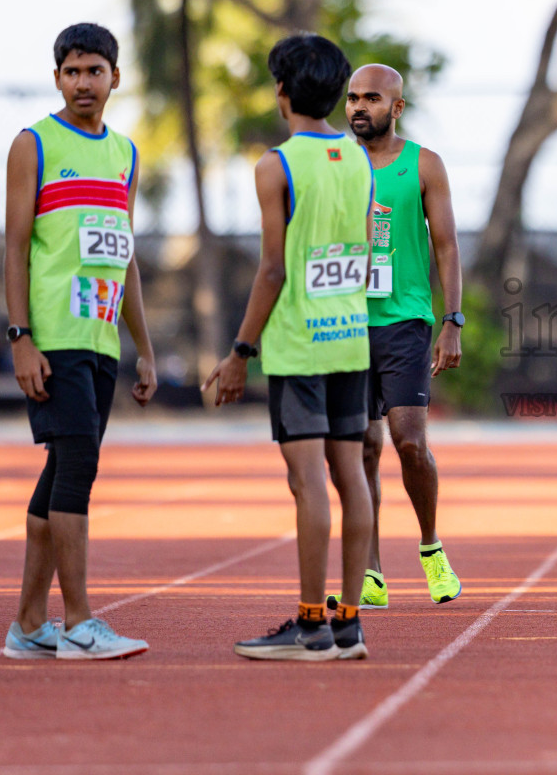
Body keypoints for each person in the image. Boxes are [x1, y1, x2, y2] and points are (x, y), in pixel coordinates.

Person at [203, 34, 374, 661]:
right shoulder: (360, 159)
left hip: (300, 347)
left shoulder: (274, 167)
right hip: (350, 340)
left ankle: (309, 626)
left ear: (281, 91)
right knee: (350, 477)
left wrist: (238, 353)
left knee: (308, 485)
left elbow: (272, 269)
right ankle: (348, 623)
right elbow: (359, 252)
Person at [2, 22, 158, 661]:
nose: (83, 82)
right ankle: (80, 623)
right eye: (71, 71)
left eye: (95, 70)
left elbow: (125, 256)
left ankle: (28, 626)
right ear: (57, 77)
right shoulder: (33, 144)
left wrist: (143, 346)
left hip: (101, 342)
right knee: (80, 468)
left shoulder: (125, 153)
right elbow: (14, 246)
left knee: (62, 469)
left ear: (115, 77)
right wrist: (20, 337)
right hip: (53, 339)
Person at [332, 63, 464, 611]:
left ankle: (431, 548)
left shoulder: (422, 164)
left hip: (405, 320)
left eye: (372, 98)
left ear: (397, 107)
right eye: (353, 98)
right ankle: (371, 569)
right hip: (344, 321)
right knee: (362, 448)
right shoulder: (331, 162)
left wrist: (451, 320)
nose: (360, 107)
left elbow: (448, 247)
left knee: (409, 441)